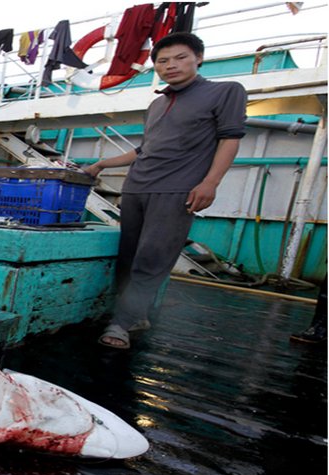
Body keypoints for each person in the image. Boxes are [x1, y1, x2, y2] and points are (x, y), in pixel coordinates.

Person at [84, 32, 246, 349]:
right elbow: (144, 150)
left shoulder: (226, 91)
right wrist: (101, 164)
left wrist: (210, 182)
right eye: (162, 60)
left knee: (152, 257)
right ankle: (136, 315)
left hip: (176, 190)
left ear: (198, 58)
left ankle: (122, 323)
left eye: (180, 57)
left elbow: (230, 139)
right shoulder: (157, 104)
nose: (171, 65)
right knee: (128, 257)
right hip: (137, 188)